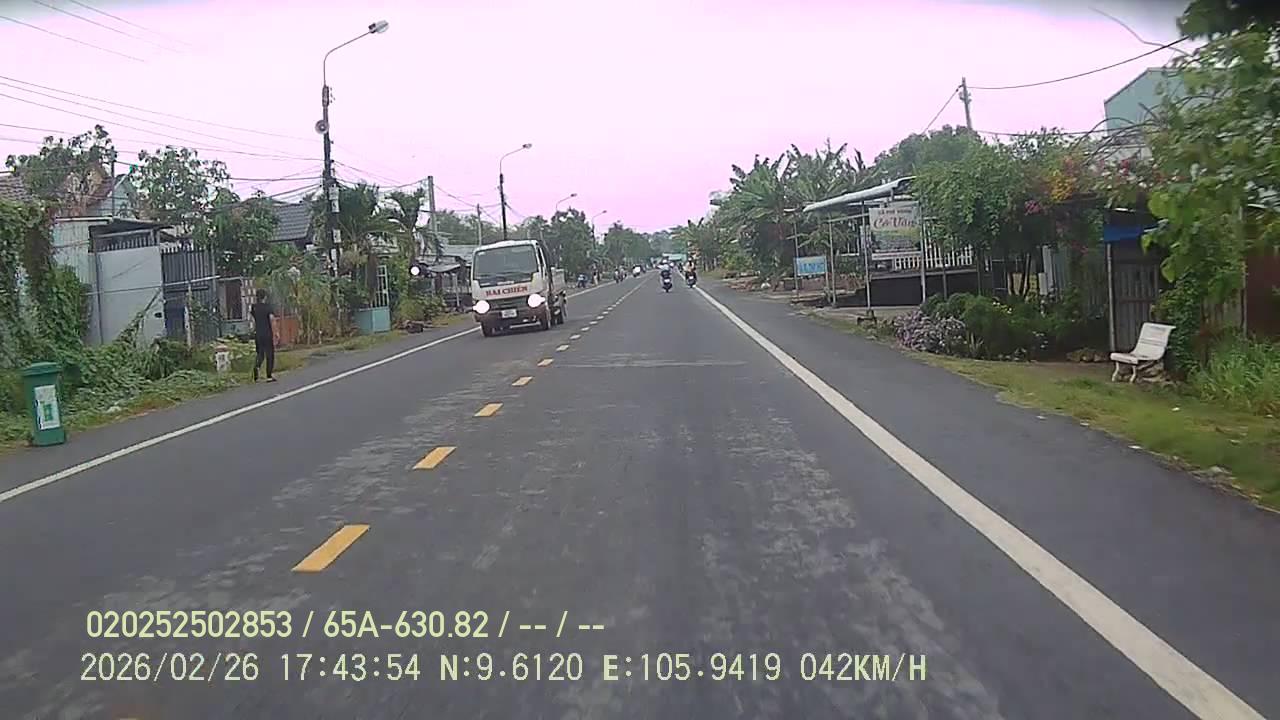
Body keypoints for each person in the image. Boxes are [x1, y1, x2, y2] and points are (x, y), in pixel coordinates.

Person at [250, 288, 277, 383]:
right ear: (265, 297)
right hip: (267, 333)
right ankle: (269, 375)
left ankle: (256, 368)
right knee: (270, 354)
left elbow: (253, 320)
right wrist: (276, 333)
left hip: (258, 333)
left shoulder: (254, 307)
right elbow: (272, 320)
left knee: (260, 353)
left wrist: (253, 330)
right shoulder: (268, 307)